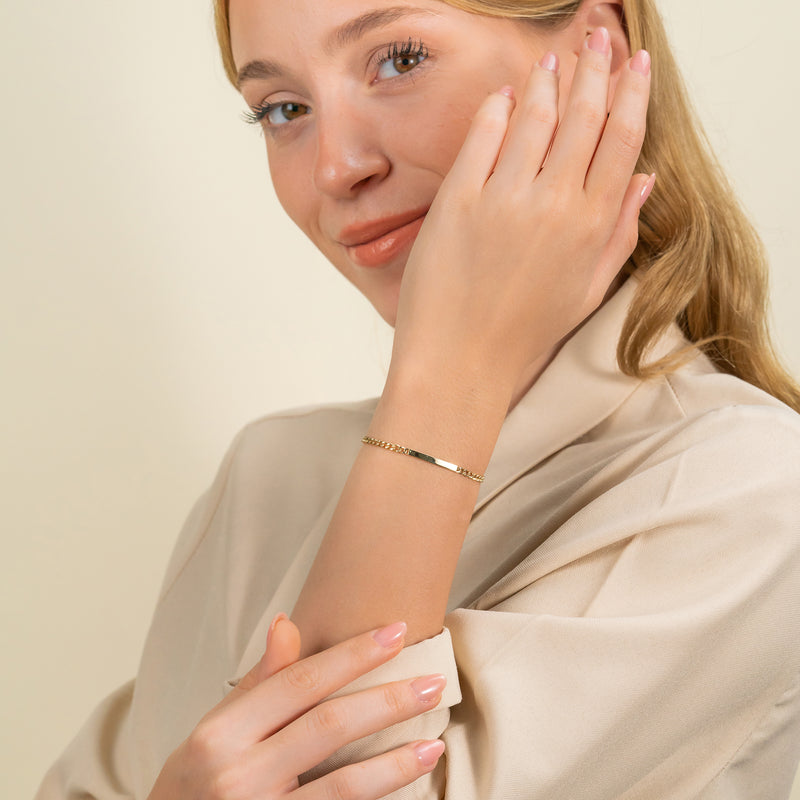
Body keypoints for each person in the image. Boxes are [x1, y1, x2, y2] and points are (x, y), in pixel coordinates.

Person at [36, 0, 800, 798]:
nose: (336, 167)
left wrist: (450, 370)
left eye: (398, 60)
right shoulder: (269, 478)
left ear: (594, 51)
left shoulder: (749, 492)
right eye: (284, 109)